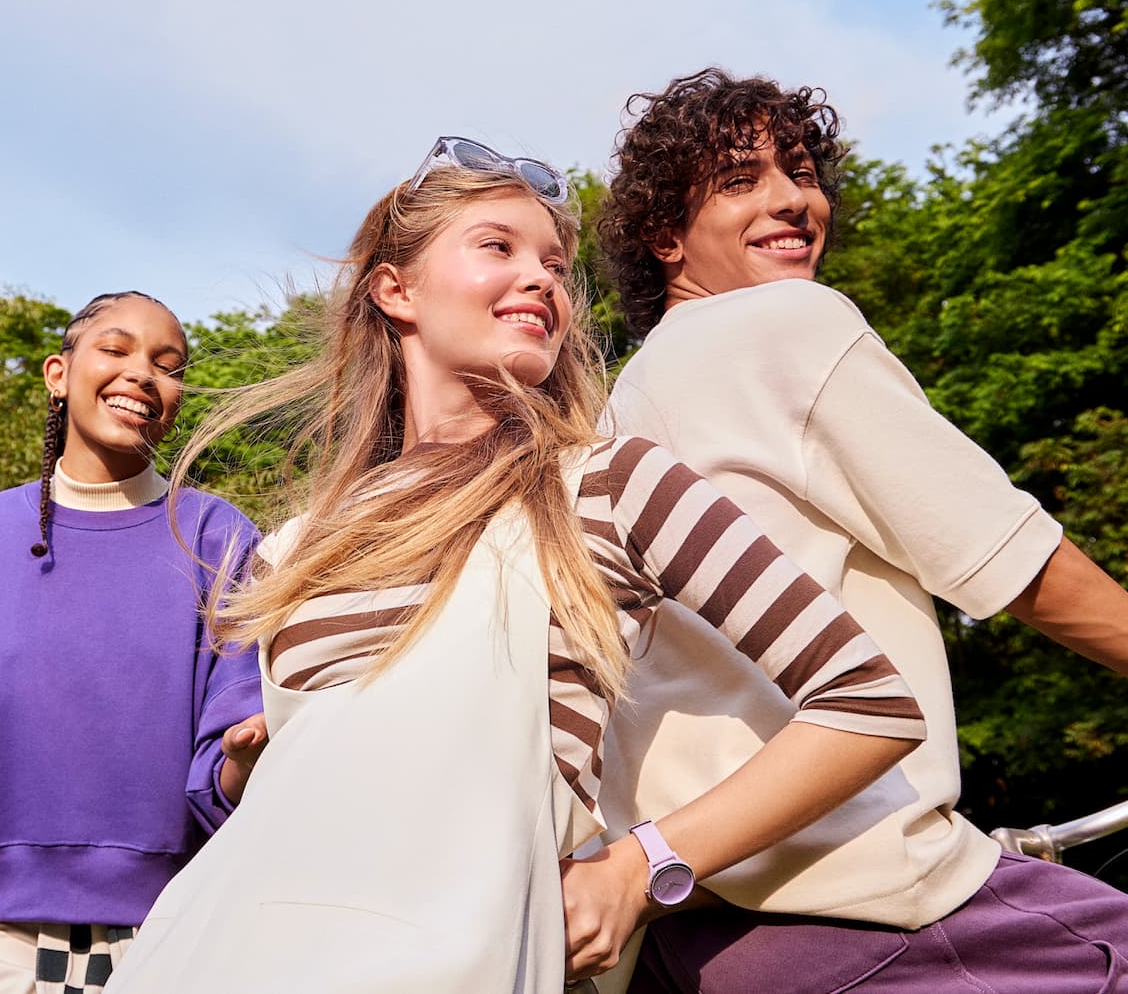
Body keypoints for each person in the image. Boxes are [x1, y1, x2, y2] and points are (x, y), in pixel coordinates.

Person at [108, 137, 929, 993]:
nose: (541, 279)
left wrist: (639, 866)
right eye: (498, 246)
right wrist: (250, 769)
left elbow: (870, 702)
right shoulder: (293, 550)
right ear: (396, 290)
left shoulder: (610, 485)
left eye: (555, 266)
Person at [583, 66, 1128, 992]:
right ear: (665, 237)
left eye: (802, 172)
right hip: (870, 903)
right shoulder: (783, 324)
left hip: (699, 933)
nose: (793, 199)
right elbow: (1009, 557)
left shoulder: (621, 405)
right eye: (741, 180)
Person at [0, 291, 267, 993]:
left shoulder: (219, 538)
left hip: (171, 924)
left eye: (168, 365)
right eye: (116, 350)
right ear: (57, 374)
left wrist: (247, 758)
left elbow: (233, 743)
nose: (142, 374)